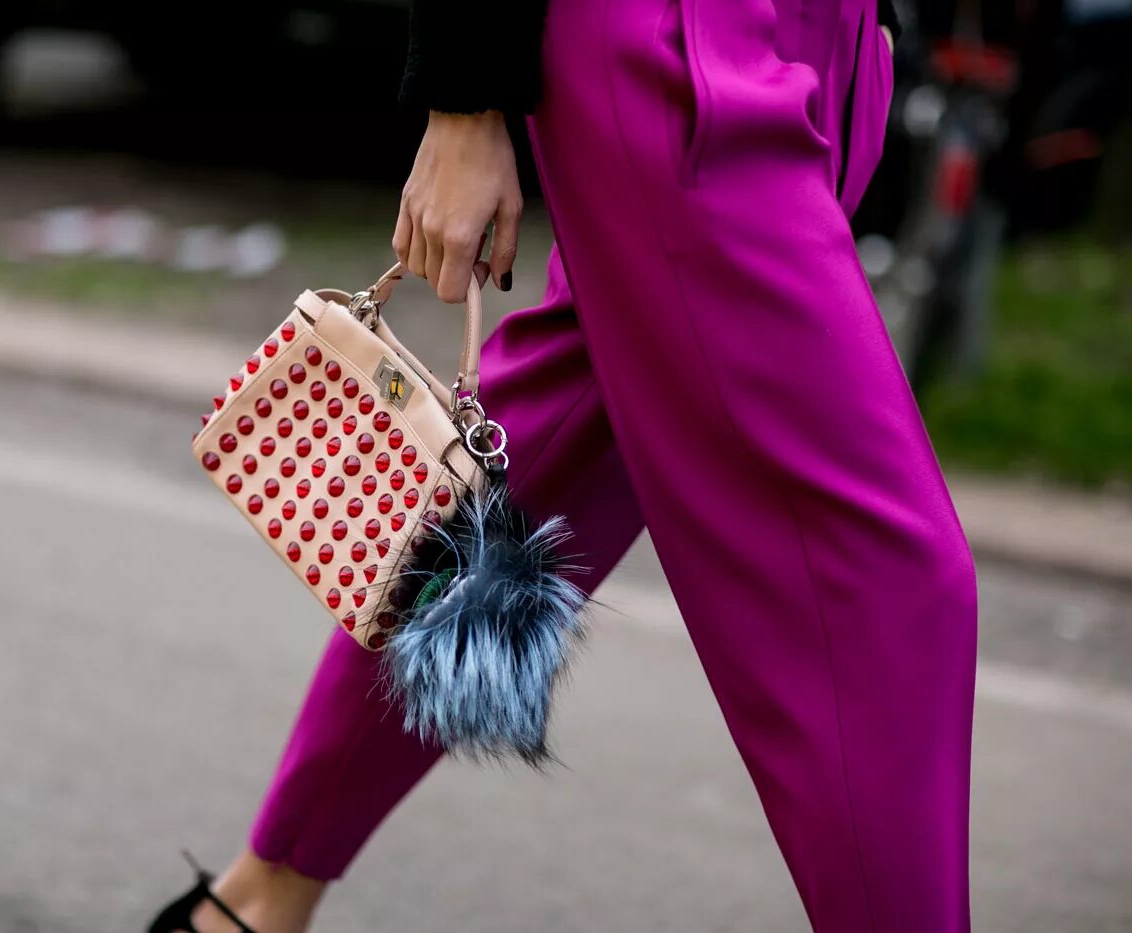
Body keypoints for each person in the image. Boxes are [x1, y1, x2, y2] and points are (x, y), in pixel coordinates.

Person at [147, 0, 978, 929]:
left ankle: (252, 903)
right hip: (684, 46)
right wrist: (463, 99)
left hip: (823, 45)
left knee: (525, 481)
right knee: (888, 583)